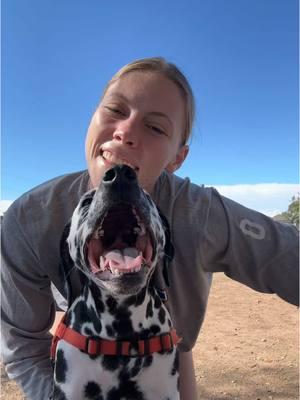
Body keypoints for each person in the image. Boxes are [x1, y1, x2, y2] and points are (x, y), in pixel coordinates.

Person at [1, 57, 299, 400]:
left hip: (171, 339)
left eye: (155, 127)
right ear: (91, 119)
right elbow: (23, 349)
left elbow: (287, 254)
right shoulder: (29, 221)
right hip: (79, 336)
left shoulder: (199, 215)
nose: (125, 131)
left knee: (176, 344)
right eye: (114, 110)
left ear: (178, 158)